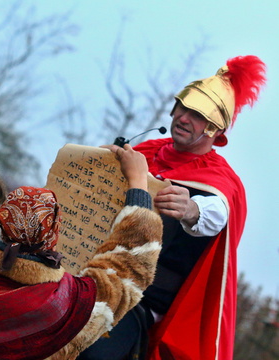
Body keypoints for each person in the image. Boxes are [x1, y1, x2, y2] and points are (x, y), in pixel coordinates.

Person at [78, 55, 266, 360]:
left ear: (215, 132)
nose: (184, 118)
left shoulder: (219, 179)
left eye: (198, 116)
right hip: (90, 274)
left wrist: (192, 209)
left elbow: (218, 212)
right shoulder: (143, 152)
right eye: (184, 108)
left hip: (141, 300)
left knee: (93, 354)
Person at [0, 145, 163, 360]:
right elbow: (130, 265)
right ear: (55, 229)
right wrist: (138, 183)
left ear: (1, 219)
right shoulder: (69, 301)